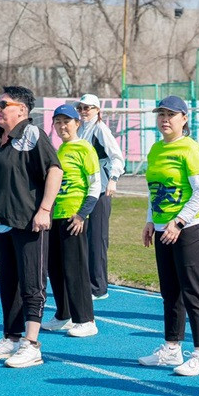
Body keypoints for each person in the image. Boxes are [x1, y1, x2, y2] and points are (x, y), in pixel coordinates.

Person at [0, 86, 62, 369]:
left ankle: (31, 344)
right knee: (8, 282)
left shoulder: (32, 133)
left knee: (31, 282)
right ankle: (11, 338)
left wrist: (45, 209)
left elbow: (55, 170)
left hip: (29, 222)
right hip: (2, 221)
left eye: (4, 104)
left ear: (22, 110)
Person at [139, 95, 199, 376]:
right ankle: (172, 348)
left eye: (171, 115)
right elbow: (154, 191)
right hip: (162, 229)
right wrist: (151, 221)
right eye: (161, 114)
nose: (165, 119)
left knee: (194, 291)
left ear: (184, 118)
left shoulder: (190, 149)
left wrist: (179, 221)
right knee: (170, 291)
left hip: (190, 229)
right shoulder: (156, 149)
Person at [42, 104, 101, 338]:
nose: (62, 126)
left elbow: (95, 185)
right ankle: (63, 314)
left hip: (73, 217)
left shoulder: (84, 148)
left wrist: (81, 214)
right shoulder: (59, 150)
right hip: (55, 216)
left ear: (77, 123)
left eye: (66, 122)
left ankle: (86, 320)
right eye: (57, 122)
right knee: (55, 268)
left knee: (75, 269)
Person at [76, 93, 125, 301]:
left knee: (97, 238)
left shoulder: (100, 129)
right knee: (83, 238)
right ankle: (85, 282)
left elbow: (117, 157)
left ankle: (98, 288)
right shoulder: (79, 129)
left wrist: (113, 179)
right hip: (85, 190)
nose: (83, 111)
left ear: (97, 110)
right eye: (80, 108)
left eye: (87, 108)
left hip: (101, 189)